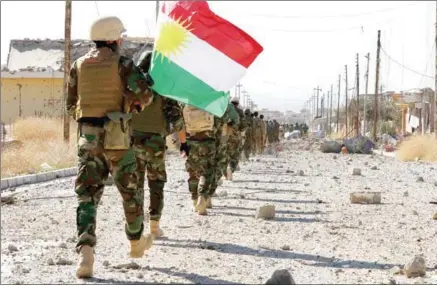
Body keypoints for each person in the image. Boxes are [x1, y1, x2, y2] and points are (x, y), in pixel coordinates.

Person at [66, 16, 155, 278]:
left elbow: (71, 105)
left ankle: (86, 254)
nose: (123, 40)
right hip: (117, 138)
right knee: (130, 191)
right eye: (121, 37)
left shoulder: (78, 65)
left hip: (88, 139)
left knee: (87, 196)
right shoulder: (124, 64)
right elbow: (146, 95)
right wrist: (131, 103)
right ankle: (136, 241)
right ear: (114, 38)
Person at [131, 51, 188, 239]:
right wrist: (182, 142)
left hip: (131, 141)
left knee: (134, 184)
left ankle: (135, 228)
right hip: (155, 142)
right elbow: (178, 120)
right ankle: (154, 226)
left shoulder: (130, 86)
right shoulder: (163, 88)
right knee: (156, 183)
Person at [183, 105, 217, 215]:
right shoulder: (210, 103)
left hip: (191, 140)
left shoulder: (186, 104)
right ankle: (202, 197)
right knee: (207, 171)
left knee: (192, 170)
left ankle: (194, 198)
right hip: (207, 140)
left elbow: (180, 122)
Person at [227, 97, 249, 175]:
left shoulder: (225, 110)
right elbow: (244, 125)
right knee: (235, 153)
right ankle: (231, 168)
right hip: (235, 135)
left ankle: (224, 169)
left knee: (224, 152)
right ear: (237, 104)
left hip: (224, 135)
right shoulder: (240, 112)